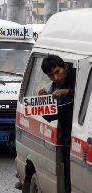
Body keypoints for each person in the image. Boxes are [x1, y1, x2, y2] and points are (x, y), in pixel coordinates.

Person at [38, 55, 75, 193]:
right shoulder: (54, 87)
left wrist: (68, 93)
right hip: (67, 141)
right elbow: (51, 116)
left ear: (65, 67)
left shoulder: (78, 78)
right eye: (51, 76)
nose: (56, 78)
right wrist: (43, 102)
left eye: (57, 72)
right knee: (68, 183)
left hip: (81, 136)